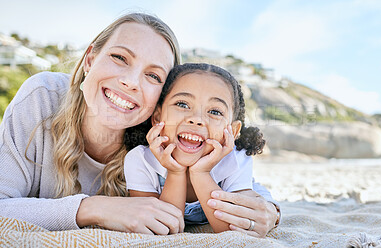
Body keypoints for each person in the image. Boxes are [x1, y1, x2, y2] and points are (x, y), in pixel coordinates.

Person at [0, 13, 279, 237]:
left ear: (162, 100)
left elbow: (239, 179)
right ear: (90, 59)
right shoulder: (43, 97)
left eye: (153, 76)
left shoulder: (162, 135)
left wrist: (271, 210)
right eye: (119, 58)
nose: (131, 82)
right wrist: (95, 208)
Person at [124, 63, 270, 234]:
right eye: (183, 104)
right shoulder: (141, 160)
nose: (196, 119)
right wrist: (175, 172)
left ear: (233, 130)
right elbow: (163, 227)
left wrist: (201, 173)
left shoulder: (236, 160)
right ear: (157, 117)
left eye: (215, 112)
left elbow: (230, 230)